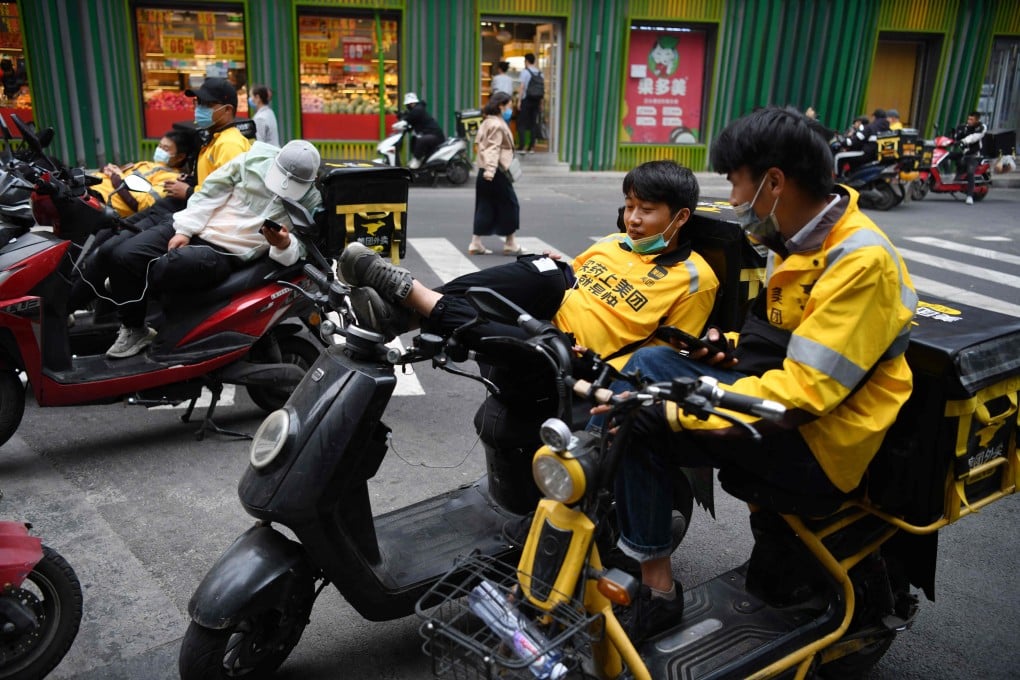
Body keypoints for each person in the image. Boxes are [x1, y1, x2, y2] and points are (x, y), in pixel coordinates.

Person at [602, 106, 917, 643]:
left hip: (822, 440)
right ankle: (646, 561)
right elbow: (778, 339)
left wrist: (678, 406)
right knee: (648, 366)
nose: (731, 200)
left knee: (645, 416)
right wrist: (718, 349)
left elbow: (799, 397)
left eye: (735, 184)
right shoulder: (796, 239)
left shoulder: (859, 262)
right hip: (789, 409)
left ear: (774, 183)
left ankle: (654, 589)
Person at [337, 160, 718, 375]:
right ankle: (405, 316)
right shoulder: (614, 242)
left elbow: (667, 357)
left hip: (580, 357)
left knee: (539, 340)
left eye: (646, 210)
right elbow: (575, 280)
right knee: (545, 270)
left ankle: (408, 296)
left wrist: (613, 367)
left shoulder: (695, 279)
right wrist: (554, 268)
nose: (632, 219)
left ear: (680, 216)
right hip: (546, 313)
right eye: (629, 206)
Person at [102, 140, 322, 359]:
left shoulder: (312, 201)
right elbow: (208, 193)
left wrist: (283, 244)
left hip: (223, 252)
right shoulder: (250, 162)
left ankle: (133, 284)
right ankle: (134, 328)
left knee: (172, 264)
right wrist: (185, 231)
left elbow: (302, 246)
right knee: (123, 256)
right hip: (191, 225)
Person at [91, 130, 195, 218]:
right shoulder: (145, 164)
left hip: (102, 200)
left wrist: (116, 176)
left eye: (165, 149)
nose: (159, 150)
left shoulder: (173, 179)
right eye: (159, 146)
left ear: (180, 157)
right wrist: (109, 170)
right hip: (92, 185)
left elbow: (143, 204)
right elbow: (117, 174)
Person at [469, 92, 520, 256]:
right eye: (509, 106)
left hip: (485, 171)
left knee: (484, 206)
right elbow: (493, 149)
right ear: (501, 106)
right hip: (495, 171)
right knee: (511, 205)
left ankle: (476, 242)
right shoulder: (497, 125)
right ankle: (510, 242)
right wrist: (490, 171)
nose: (510, 110)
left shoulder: (487, 122)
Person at [402, 92, 445, 169]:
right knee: (414, 139)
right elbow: (413, 120)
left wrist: (404, 119)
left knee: (421, 140)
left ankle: (417, 160)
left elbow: (410, 117)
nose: (407, 106)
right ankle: (420, 159)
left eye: (407, 105)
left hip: (435, 135)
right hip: (429, 134)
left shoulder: (418, 109)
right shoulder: (417, 109)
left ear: (412, 103)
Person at [953, 111, 986, 205]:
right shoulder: (964, 127)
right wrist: (954, 138)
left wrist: (963, 141)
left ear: (977, 120)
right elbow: (957, 136)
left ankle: (969, 196)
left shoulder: (981, 128)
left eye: (971, 119)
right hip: (964, 153)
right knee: (947, 155)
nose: (969, 121)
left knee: (970, 172)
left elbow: (973, 137)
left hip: (974, 155)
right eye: (968, 119)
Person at [517, 53, 543, 154]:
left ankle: (522, 146)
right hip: (536, 100)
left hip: (526, 100)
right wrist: (540, 103)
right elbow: (542, 89)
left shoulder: (525, 72)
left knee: (521, 123)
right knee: (533, 123)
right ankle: (532, 147)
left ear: (526, 61)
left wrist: (519, 100)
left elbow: (522, 87)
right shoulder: (540, 73)